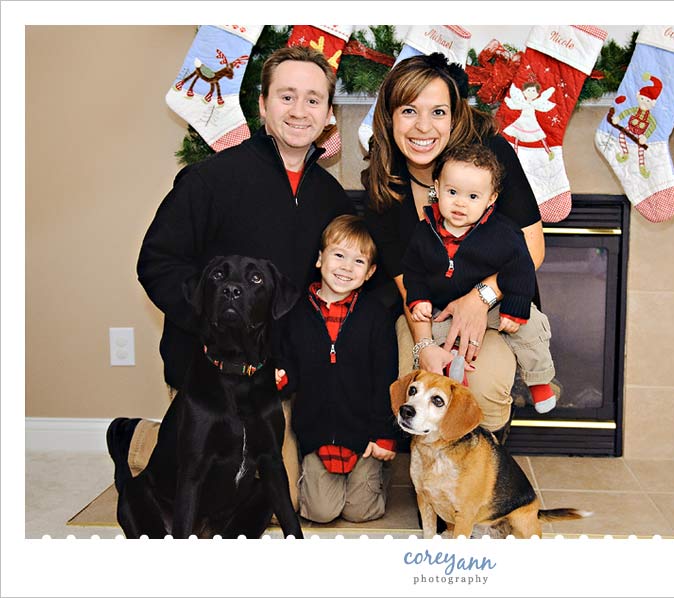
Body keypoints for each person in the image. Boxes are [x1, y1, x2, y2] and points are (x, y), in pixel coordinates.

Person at [107, 46, 354, 513]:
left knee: (281, 505)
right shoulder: (210, 180)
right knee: (203, 506)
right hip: (212, 378)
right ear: (262, 105)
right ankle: (150, 439)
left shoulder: (330, 196)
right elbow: (157, 262)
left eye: (313, 100)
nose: (299, 111)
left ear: (328, 116)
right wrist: (213, 321)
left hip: (280, 378)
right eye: (286, 96)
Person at [361, 52, 546, 437]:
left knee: (483, 388)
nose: (423, 127)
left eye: (438, 112)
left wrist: (478, 299)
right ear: (389, 117)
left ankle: (483, 483)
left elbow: (532, 249)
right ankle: (432, 486)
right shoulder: (384, 184)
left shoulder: (489, 159)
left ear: (455, 115)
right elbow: (404, 281)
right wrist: (425, 344)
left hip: (497, 306)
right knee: (422, 387)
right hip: (425, 313)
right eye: (409, 111)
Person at [404, 143, 557, 413]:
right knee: (436, 338)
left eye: (473, 196)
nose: (461, 203)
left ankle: (540, 380)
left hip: (496, 307)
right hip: (445, 309)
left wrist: (515, 307)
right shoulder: (423, 231)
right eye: (452, 192)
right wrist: (418, 298)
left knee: (531, 326)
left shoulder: (503, 233)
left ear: (491, 199)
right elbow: (413, 269)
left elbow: (522, 268)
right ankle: (454, 372)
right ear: (437, 189)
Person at [274, 215, 398, 523]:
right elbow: (289, 362)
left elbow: (386, 378)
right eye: (338, 255)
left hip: (365, 436)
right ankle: (322, 479)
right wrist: (282, 377)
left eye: (358, 261)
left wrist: (383, 434)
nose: (346, 267)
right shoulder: (296, 313)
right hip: (317, 437)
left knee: (360, 512)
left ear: (369, 273)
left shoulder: (375, 317)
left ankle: (379, 473)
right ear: (319, 259)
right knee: (320, 512)